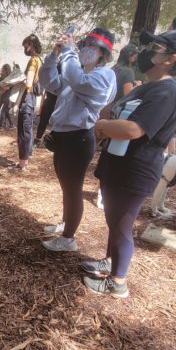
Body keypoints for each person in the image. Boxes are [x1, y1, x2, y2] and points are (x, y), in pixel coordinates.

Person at [82, 30, 176, 298]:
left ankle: (117, 282)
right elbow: (114, 109)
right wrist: (108, 119)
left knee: (122, 226)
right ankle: (109, 262)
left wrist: (103, 126)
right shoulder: (147, 87)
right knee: (114, 221)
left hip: (135, 171)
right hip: (119, 166)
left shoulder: (167, 92)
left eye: (155, 48)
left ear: (171, 59)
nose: (146, 52)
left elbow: (134, 129)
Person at [38, 28, 117, 247]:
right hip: (63, 137)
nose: (85, 50)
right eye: (83, 45)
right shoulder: (76, 73)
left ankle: (68, 239)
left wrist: (69, 53)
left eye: (91, 46)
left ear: (103, 53)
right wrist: (54, 56)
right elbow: (48, 81)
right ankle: (66, 223)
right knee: (66, 186)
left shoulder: (105, 75)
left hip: (79, 139)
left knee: (73, 188)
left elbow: (78, 81)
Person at [11, 34, 43, 171]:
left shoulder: (33, 61)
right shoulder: (39, 60)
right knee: (27, 130)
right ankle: (25, 160)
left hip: (27, 98)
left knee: (24, 132)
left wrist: (16, 78)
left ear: (32, 45)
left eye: (27, 45)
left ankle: (22, 163)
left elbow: (28, 82)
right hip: (31, 99)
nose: (25, 48)